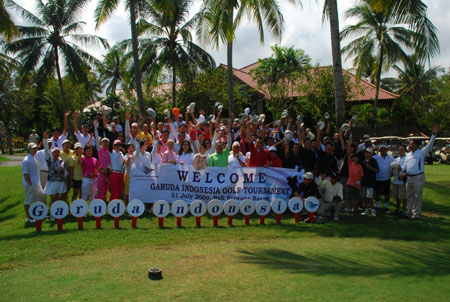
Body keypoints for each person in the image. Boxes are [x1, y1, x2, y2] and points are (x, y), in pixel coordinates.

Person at [400, 124, 439, 220]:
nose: (409, 145)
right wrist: (400, 172)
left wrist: (433, 135)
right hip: (409, 178)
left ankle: (416, 214)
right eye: (409, 144)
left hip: (418, 177)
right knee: (409, 196)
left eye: (411, 144)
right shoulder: (408, 155)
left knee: (417, 196)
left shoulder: (421, 152)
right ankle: (409, 213)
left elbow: (430, 145)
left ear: (416, 146)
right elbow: (404, 166)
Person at [43, 132, 68, 215]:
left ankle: (58, 213)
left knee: (59, 198)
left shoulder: (62, 161)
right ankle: (52, 213)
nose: (56, 153)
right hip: (53, 182)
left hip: (61, 182)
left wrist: (66, 175)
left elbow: (65, 170)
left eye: (58, 152)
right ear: (52, 153)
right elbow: (46, 151)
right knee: (53, 198)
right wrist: (45, 140)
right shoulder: (50, 161)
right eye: (55, 152)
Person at [22, 142, 44, 222]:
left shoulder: (33, 158)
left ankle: (35, 215)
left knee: (35, 200)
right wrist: (30, 184)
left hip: (36, 183)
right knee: (29, 201)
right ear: (29, 149)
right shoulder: (26, 160)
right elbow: (26, 174)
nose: (35, 150)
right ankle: (29, 217)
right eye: (33, 148)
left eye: (36, 148)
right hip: (30, 184)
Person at [373, 145, 394, 213]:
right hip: (378, 178)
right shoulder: (375, 157)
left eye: (384, 149)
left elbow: (393, 167)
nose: (383, 151)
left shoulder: (391, 158)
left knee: (387, 193)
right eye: (381, 149)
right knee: (377, 193)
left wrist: (392, 173)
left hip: (387, 178)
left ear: (387, 150)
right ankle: (377, 206)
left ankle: (387, 207)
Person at [346, 141, 364, 214]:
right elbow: (348, 155)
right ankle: (348, 209)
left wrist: (359, 181)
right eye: (354, 158)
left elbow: (361, 175)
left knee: (355, 198)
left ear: (358, 159)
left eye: (356, 158)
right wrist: (349, 146)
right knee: (349, 198)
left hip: (357, 184)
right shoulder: (350, 164)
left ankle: (353, 208)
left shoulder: (360, 166)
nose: (355, 159)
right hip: (350, 183)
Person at [94, 124, 111, 201]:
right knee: (99, 190)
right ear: (101, 143)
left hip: (108, 174)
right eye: (104, 142)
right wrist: (96, 130)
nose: (105, 143)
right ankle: (97, 202)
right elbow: (97, 140)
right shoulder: (100, 150)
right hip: (101, 173)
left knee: (105, 190)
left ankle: (103, 203)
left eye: (107, 142)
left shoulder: (109, 152)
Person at [360, 148, 379, 216]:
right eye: (365, 152)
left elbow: (377, 170)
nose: (366, 154)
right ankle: (366, 209)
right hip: (364, 181)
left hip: (371, 181)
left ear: (371, 153)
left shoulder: (373, 161)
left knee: (370, 197)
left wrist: (370, 167)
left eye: (368, 152)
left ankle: (373, 209)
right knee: (364, 196)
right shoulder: (363, 162)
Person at [392, 145, 407, 214]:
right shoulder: (396, 159)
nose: (401, 151)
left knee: (403, 196)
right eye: (399, 149)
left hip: (403, 180)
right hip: (396, 180)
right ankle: (397, 209)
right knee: (397, 196)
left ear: (405, 151)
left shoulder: (407, 159)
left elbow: (409, 169)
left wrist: (403, 174)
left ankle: (404, 210)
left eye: (402, 149)